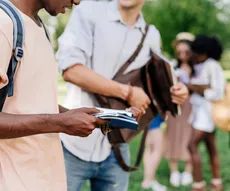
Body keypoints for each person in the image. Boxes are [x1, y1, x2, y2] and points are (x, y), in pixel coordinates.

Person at [56, 0, 189, 190]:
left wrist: (177, 90)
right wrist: (127, 92)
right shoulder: (88, 11)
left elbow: (160, 79)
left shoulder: (150, 34)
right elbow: (71, 70)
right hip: (73, 143)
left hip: (117, 144)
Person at [0, 0, 112, 190]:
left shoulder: (39, 27)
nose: (77, 1)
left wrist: (73, 115)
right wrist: (60, 123)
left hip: (42, 178)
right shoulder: (4, 25)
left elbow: (28, 102)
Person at [188, 35, 225, 191]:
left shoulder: (212, 65)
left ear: (203, 52)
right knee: (211, 147)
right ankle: (217, 182)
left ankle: (198, 184)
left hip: (207, 112)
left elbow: (217, 91)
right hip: (200, 112)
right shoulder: (202, 66)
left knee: (191, 145)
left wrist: (196, 88)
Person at [164, 32, 194, 187]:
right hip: (175, 106)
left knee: (190, 137)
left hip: (192, 107)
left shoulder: (198, 67)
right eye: (180, 51)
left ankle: (188, 171)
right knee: (172, 135)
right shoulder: (172, 64)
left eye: (186, 52)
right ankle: (174, 171)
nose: (182, 55)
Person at [141, 114, 166, 191]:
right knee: (157, 149)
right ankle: (149, 180)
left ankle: (147, 180)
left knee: (149, 149)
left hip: (147, 116)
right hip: (154, 115)